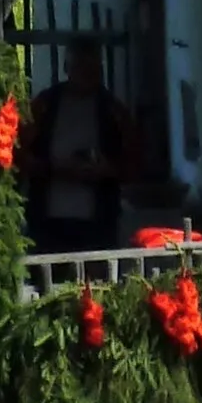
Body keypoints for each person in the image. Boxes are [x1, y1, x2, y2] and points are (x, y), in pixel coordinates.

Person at [26, 39, 139, 252]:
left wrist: (107, 170)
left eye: (93, 69)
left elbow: (133, 164)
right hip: (49, 220)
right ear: (67, 68)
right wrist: (53, 168)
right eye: (81, 68)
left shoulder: (114, 111)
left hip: (98, 221)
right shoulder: (44, 105)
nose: (88, 75)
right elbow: (21, 155)